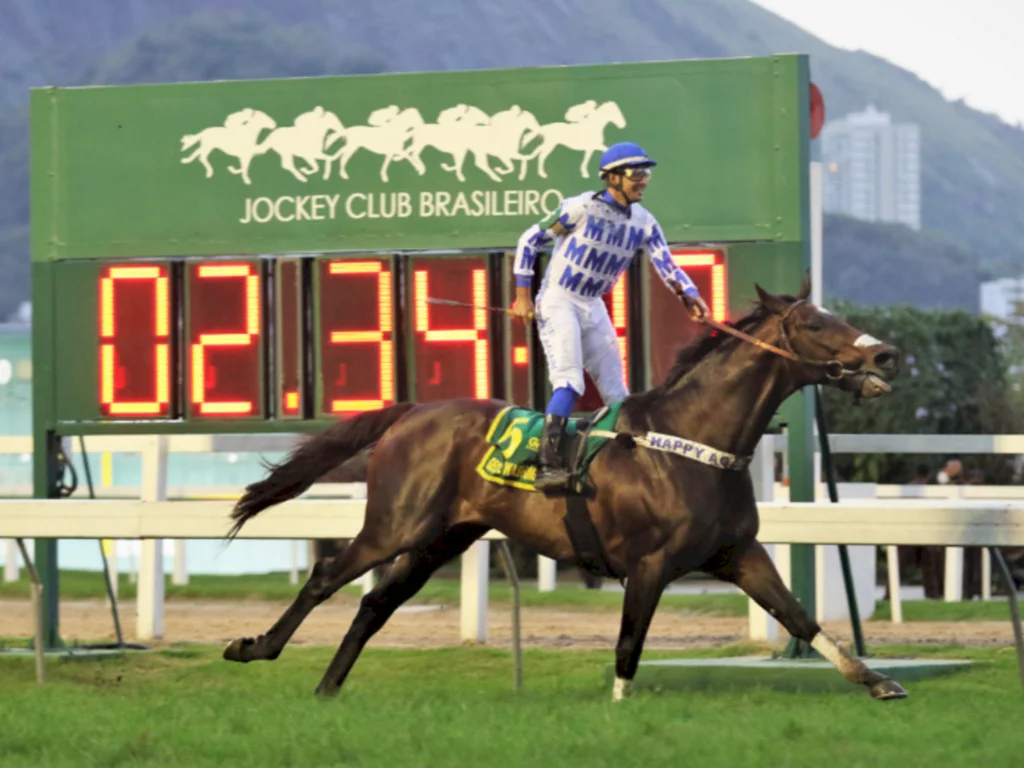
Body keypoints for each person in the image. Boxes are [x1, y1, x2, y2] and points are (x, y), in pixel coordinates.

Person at [510, 141, 710, 493]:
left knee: (619, 396)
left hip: (592, 303)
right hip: (559, 299)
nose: (644, 179)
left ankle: (629, 465)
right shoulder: (579, 208)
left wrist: (690, 295)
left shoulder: (644, 222)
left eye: (646, 172)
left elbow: (666, 263)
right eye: (637, 173)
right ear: (612, 178)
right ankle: (548, 463)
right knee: (570, 381)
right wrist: (523, 295)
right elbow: (529, 240)